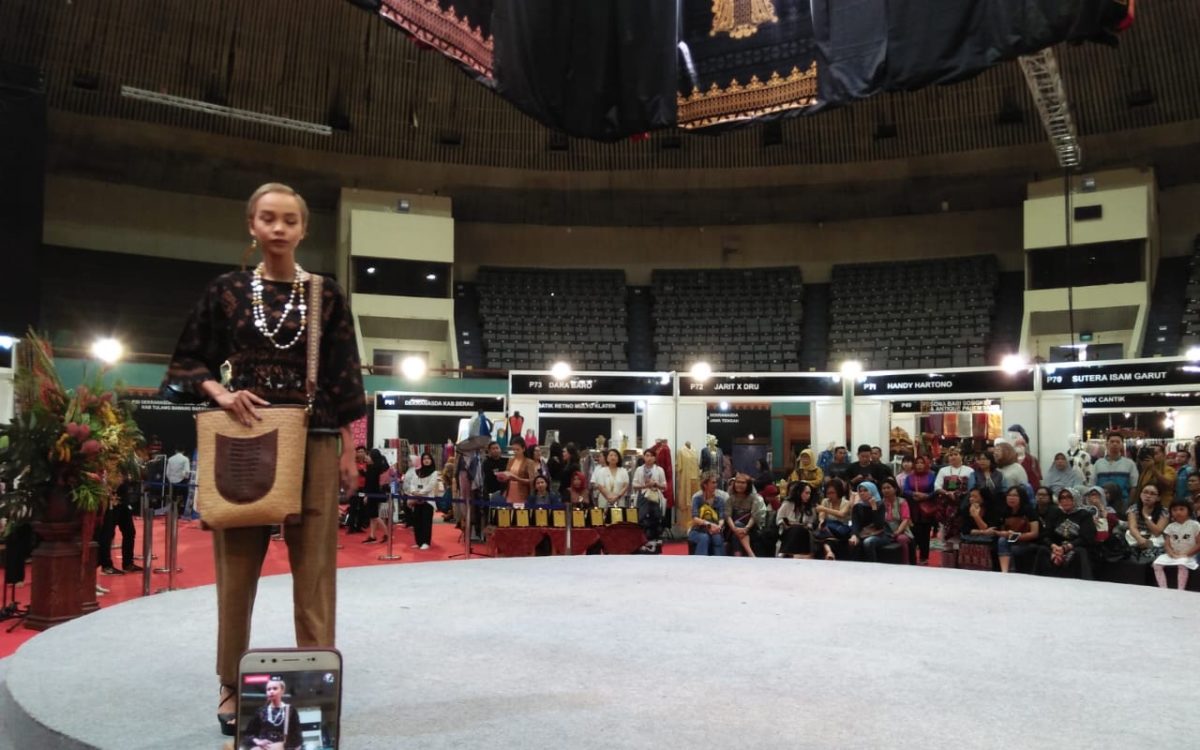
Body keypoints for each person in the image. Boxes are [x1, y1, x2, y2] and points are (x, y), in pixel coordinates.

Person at [163, 182, 365, 736]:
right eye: (268, 218)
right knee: (236, 567)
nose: (279, 228)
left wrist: (349, 448)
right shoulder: (226, 291)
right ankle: (230, 682)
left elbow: (345, 375)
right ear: (252, 225)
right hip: (245, 436)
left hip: (316, 437)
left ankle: (315, 678)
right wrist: (221, 393)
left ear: (304, 229)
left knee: (316, 570)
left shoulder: (326, 294)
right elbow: (188, 361)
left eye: (289, 220)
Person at [1035, 488, 1097, 579]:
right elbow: (1046, 535)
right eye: (1062, 498)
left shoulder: (1084, 515)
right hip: (1057, 548)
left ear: (1075, 499)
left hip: (1075, 547)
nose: (1065, 501)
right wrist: (1054, 547)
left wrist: (1065, 548)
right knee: (1042, 550)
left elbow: (1086, 538)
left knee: (1079, 552)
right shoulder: (1054, 513)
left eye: (1069, 497)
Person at [239, 677, 302, 750]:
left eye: (275, 688)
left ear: (282, 690)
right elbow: (248, 734)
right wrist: (258, 741)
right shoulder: (261, 711)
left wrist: (283, 745)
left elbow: (297, 736)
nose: (271, 691)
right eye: (268, 689)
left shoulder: (290, 710)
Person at [1153, 498, 1200, 589]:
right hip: (1174, 554)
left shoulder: (1195, 525)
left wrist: (1185, 554)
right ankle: (1163, 588)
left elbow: (1199, 544)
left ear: (1189, 511)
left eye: (1181, 509)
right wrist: (1171, 553)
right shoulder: (1170, 526)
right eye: (1174, 510)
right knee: (1156, 564)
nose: (1178, 512)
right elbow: (1167, 544)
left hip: (1190, 555)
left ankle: (1180, 590)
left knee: (1182, 564)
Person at [404, 451, 443, 550]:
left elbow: (431, 485)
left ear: (431, 460)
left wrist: (420, 493)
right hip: (417, 500)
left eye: (428, 458)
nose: (426, 460)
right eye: (424, 459)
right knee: (417, 521)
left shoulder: (434, 473)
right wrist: (414, 492)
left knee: (426, 522)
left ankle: (426, 542)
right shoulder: (418, 471)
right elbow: (412, 483)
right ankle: (419, 542)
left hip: (428, 501)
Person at [995, 486, 1039, 574]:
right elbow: (1000, 531)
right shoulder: (1004, 511)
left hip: (1028, 541)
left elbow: (1035, 533)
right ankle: (1005, 571)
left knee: (1011, 546)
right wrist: (1002, 533)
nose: (1011, 498)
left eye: (1015, 495)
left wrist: (1015, 536)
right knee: (1002, 540)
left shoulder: (1029, 511)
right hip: (1010, 539)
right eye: (1009, 495)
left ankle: (1012, 571)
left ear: (1022, 497)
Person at [903, 455, 938, 565]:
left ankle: (924, 557)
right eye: (917, 463)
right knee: (913, 533)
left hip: (927, 509)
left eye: (922, 463)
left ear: (926, 464)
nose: (919, 465)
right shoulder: (909, 477)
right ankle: (912, 557)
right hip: (913, 508)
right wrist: (914, 493)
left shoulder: (932, 476)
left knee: (925, 534)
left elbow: (936, 490)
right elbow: (905, 490)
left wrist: (926, 496)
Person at [849, 481, 892, 563]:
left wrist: (874, 508)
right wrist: (854, 535)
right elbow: (855, 524)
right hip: (864, 533)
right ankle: (855, 567)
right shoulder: (858, 506)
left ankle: (873, 567)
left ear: (872, 491)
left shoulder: (880, 505)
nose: (862, 493)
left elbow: (879, 525)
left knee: (868, 542)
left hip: (881, 534)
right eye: (860, 491)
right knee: (853, 542)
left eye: (865, 490)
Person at [1093, 433, 1138, 511]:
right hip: (1102, 504)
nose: (1115, 444)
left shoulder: (1130, 464)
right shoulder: (1098, 463)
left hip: (1122, 504)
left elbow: (1134, 486)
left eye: (1118, 442)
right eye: (1112, 441)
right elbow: (1093, 484)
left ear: (1122, 445)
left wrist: (1129, 503)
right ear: (1107, 444)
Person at [725, 473, 767, 557]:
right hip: (732, 528)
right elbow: (728, 516)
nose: (739, 485)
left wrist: (746, 528)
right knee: (737, 525)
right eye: (738, 482)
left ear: (748, 485)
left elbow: (754, 516)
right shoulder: (730, 498)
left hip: (751, 527)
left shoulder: (754, 498)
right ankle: (750, 553)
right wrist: (734, 529)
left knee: (738, 527)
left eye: (743, 483)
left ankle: (738, 555)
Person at [1125, 484, 1168, 564]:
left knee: (1159, 539)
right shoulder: (1133, 508)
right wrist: (1140, 539)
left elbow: (1157, 532)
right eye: (1145, 492)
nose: (1148, 496)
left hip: (1153, 537)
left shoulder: (1164, 511)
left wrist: (1145, 516)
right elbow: (1132, 527)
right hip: (1137, 536)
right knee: (1128, 533)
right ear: (1140, 494)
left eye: (1152, 494)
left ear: (1158, 498)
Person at [777, 481, 819, 558]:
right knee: (793, 529)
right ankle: (787, 553)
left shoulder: (811, 507)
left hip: (804, 533)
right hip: (788, 530)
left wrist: (807, 526)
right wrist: (784, 524)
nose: (808, 496)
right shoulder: (787, 503)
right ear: (799, 493)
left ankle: (785, 552)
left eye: (809, 493)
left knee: (798, 528)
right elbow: (779, 519)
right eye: (806, 493)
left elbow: (812, 523)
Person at [689, 472, 727, 556]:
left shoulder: (720, 500)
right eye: (713, 482)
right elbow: (695, 518)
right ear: (705, 484)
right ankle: (700, 562)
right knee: (704, 537)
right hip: (698, 530)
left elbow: (721, 518)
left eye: (716, 482)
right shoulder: (697, 499)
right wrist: (709, 525)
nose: (716, 485)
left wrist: (718, 527)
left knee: (717, 538)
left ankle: (720, 563)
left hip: (715, 530)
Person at [632, 447, 667, 536]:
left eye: (652, 456)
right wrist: (646, 486)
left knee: (656, 518)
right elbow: (634, 485)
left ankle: (655, 537)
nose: (649, 458)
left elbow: (664, 486)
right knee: (641, 518)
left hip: (655, 496)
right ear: (644, 457)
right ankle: (642, 538)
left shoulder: (659, 470)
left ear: (655, 458)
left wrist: (656, 484)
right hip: (642, 496)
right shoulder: (639, 469)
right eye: (647, 455)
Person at [879, 477, 912, 563]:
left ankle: (905, 563)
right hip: (884, 531)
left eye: (888, 487)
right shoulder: (879, 503)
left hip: (901, 531)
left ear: (895, 489)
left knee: (901, 539)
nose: (886, 490)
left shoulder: (902, 502)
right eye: (883, 488)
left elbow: (905, 519)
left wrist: (897, 532)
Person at [362, 448, 390, 544]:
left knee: (374, 515)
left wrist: (367, 495)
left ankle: (387, 534)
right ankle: (372, 535)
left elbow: (371, 484)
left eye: (369, 455)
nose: (367, 457)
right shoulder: (378, 467)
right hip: (377, 494)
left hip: (373, 494)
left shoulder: (374, 468)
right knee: (373, 516)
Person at [501, 438, 536, 506]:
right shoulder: (510, 460)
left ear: (523, 449)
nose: (515, 452)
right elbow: (507, 474)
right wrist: (503, 477)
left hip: (522, 492)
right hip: (510, 490)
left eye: (517, 449)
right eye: (513, 449)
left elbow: (532, 480)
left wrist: (518, 479)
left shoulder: (529, 462)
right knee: (510, 509)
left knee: (520, 511)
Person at [165, 446, 192, 517]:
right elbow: (187, 472)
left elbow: (167, 473)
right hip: (182, 482)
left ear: (175, 451)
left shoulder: (170, 459)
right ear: (183, 451)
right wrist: (186, 479)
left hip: (171, 482)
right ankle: (183, 513)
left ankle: (172, 513)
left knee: (172, 497)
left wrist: (170, 479)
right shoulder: (185, 459)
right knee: (185, 497)